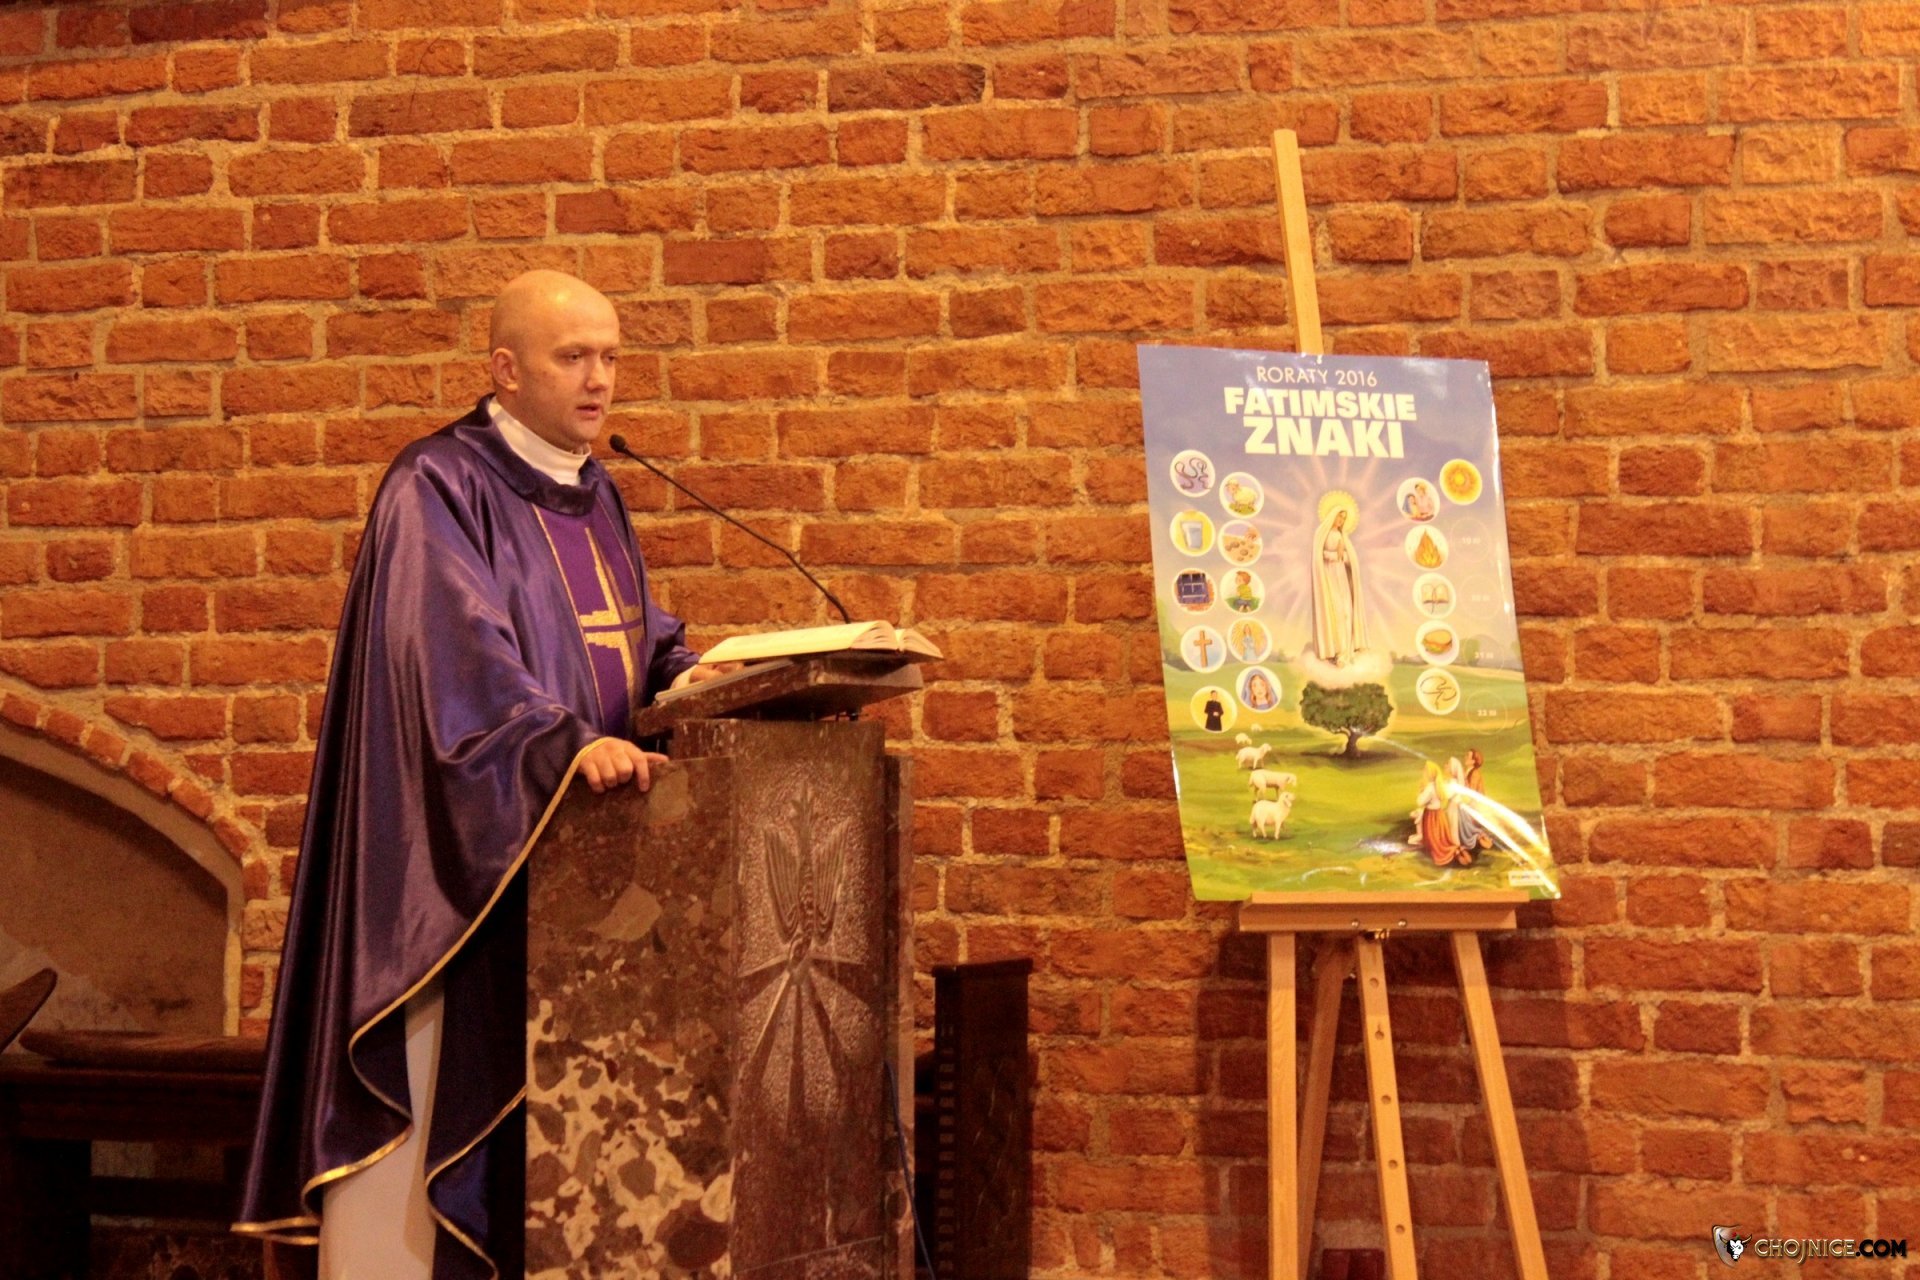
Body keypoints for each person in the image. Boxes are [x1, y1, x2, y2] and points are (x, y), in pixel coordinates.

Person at [236, 270, 732, 1280]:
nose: (599, 380)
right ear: (505, 369)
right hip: (455, 874)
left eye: (610, 357)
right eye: (573, 357)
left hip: (575, 878)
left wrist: (693, 675)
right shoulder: (437, 486)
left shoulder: (596, 488)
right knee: (428, 1153)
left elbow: (622, 636)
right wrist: (560, 744)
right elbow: (453, 662)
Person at [1310, 504, 1366, 665]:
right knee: (1334, 612)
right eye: (1339, 516)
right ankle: (1336, 651)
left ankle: (1346, 651)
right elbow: (1318, 555)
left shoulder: (1343, 536)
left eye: (1344, 518)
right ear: (1332, 515)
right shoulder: (1321, 533)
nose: (1341, 520)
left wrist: (1344, 557)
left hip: (1341, 577)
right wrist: (1336, 556)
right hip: (1328, 578)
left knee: (1346, 611)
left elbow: (1350, 559)